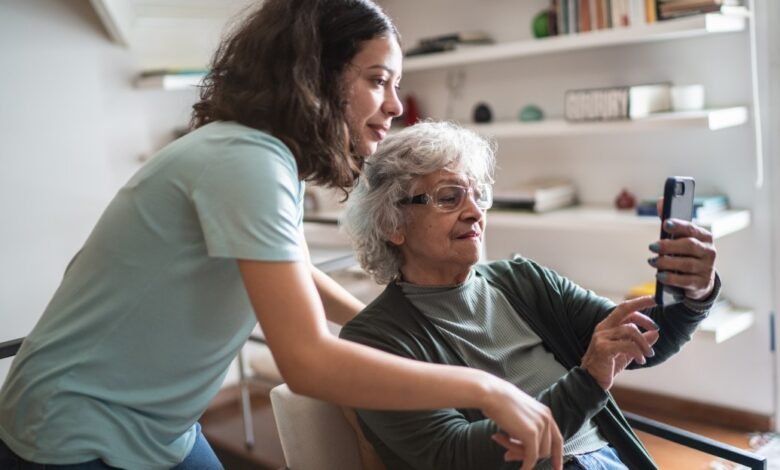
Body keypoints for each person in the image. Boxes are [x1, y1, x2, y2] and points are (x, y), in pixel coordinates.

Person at [0, 1, 564, 469]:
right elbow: (306, 361)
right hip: (75, 426)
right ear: (318, 75)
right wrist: (485, 387)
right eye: (377, 81)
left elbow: (295, 271)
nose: (394, 105)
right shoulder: (246, 159)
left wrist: (389, 326)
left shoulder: (268, 161)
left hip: (157, 428)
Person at [339, 121, 719, 470]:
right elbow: (456, 455)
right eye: (449, 197)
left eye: (477, 194)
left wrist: (695, 291)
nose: (474, 211)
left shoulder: (523, 280)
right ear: (393, 223)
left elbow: (643, 341)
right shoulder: (372, 342)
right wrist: (586, 382)